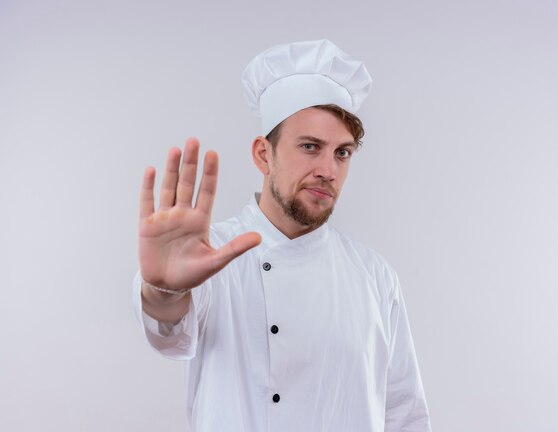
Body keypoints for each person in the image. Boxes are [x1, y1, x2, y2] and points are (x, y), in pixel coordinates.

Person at [133, 39, 431, 432]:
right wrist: (163, 292)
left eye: (342, 153)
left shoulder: (376, 277)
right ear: (263, 155)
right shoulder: (210, 255)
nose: (329, 169)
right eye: (310, 146)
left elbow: (404, 414)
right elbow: (169, 336)